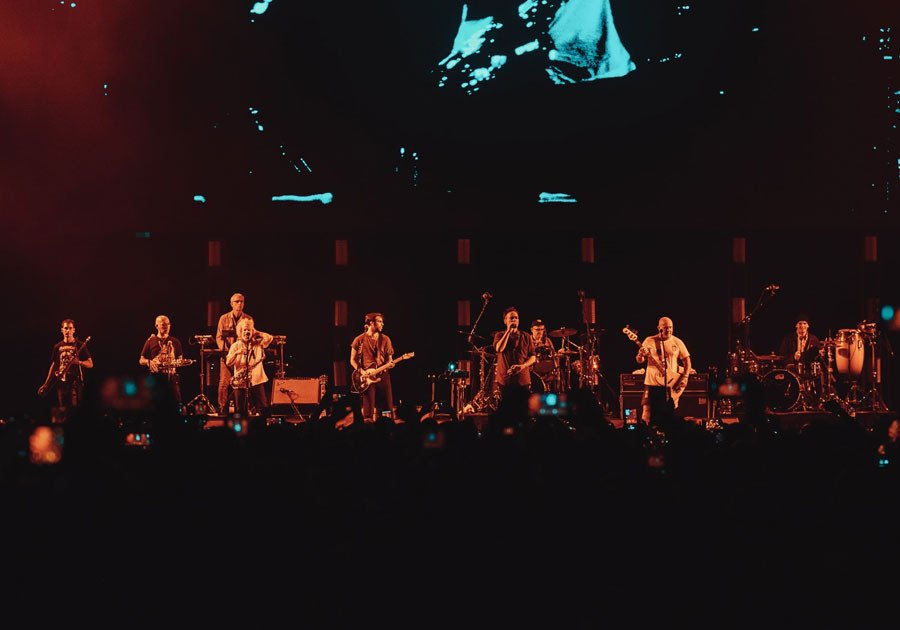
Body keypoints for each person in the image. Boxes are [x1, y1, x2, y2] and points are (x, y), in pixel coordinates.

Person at [635, 316, 691, 427]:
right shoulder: (649, 341)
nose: (669, 330)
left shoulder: (677, 341)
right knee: (647, 410)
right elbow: (639, 360)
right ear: (659, 328)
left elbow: (687, 361)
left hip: (670, 382)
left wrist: (685, 377)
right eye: (666, 328)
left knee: (669, 411)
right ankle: (646, 433)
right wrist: (641, 354)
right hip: (652, 382)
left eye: (671, 327)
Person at [348, 312, 399, 425]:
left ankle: (386, 429)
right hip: (366, 377)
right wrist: (362, 371)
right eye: (379, 321)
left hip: (383, 375)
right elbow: (352, 360)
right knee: (368, 411)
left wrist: (390, 363)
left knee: (387, 407)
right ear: (371, 323)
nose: (382, 324)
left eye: (382, 322)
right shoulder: (359, 339)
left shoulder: (385, 339)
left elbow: (389, 360)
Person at [38, 318, 94, 413]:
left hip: (75, 383)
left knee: (74, 410)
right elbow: (53, 366)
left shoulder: (80, 345)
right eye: (65, 328)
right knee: (62, 410)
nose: (68, 330)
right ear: (62, 330)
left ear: (74, 330)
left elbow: (90, 364)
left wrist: (78, 362)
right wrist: (46, 383)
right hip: (61, 383)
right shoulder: (57, 347)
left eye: (70, 328)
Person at [225, 318, 274, 416]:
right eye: (244, 330)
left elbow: (269, 338)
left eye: (249, 330)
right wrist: (237, 353)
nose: (247, 332)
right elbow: (228, 362)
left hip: (257, 380)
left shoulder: (258, 343)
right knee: (240, 410)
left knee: (263, 408)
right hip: (240, 381)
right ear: (240, 332)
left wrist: (256, 332)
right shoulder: (235, 346)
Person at [216, 293, 253, 414]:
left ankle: (242, 408)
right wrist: (228, 352)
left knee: (243, 383)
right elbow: (219, 337)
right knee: (224, 382)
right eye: (237, 301)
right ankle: (222, 408)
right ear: (231, 303)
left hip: (242, 358)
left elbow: (251, 336)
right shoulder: (223, 318)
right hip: (227, 356)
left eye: (242, 301)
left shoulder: (248, 318)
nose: (239, 303)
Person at [139, 314, 186, 406]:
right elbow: (141, 360)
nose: (167, 327)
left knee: (175, 404)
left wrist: (178, 362)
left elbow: (180, 359)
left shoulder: (176, 341)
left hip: (172, 378)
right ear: (156, 326)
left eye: (168, 324)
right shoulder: (150, 340)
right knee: (155, 405)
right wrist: (149, 362)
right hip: (156, 378)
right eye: (163, 324)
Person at [493, 307, 537, 399]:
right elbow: (499, 348)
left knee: (523, 409)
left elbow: (533, 356)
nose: (514, 320)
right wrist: (508, 331)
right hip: (505, 380)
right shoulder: (499, 335)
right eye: (511, 318)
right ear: (505, 321)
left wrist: (523, 366)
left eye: (516, 318)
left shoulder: (526, 336)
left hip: (523, 380)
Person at [529, 319, 557, 392]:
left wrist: (558, 354)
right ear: (532, 330)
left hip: (547, 371)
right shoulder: (527, 340)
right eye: (537, 329)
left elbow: (553, 355)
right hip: (532, 371)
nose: (540, 332)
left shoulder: (547, 340)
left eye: (542, 329)